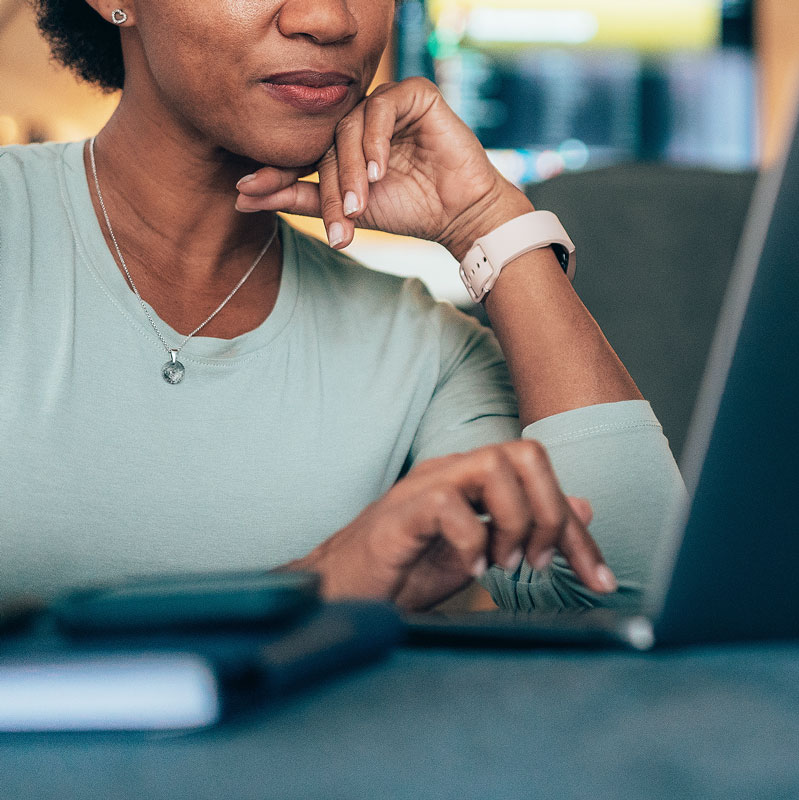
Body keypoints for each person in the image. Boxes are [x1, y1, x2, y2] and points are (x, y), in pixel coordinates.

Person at [0, 0, 685, 611]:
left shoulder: (426, 353)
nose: (329, 19)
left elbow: (632, 597)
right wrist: (321, 588)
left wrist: (492, 223)